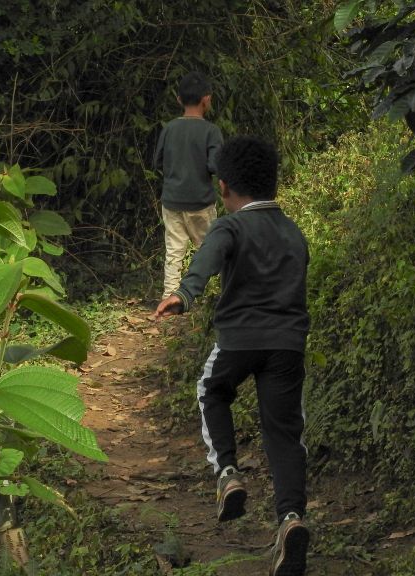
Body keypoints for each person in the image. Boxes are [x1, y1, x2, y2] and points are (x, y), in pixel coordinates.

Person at [152, 136, 310, 576]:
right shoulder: (293, 230)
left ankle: (227, 472)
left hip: (239, 341)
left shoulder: (230, 226)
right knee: (284, 434)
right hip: (287, 346)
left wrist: (184, 294)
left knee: (211, 389)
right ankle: (291, 519)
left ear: (223, 187)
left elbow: (207, 259)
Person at [152, 71, 224, 302]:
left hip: (172, 201)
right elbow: (216, 166)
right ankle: (213, 295)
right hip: (200, 201)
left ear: (179, 100)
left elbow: (157, 161)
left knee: (174, 251)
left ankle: (169, 297)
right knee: (210, 249)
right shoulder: (211, 131)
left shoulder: (169, 128)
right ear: (207, 99)